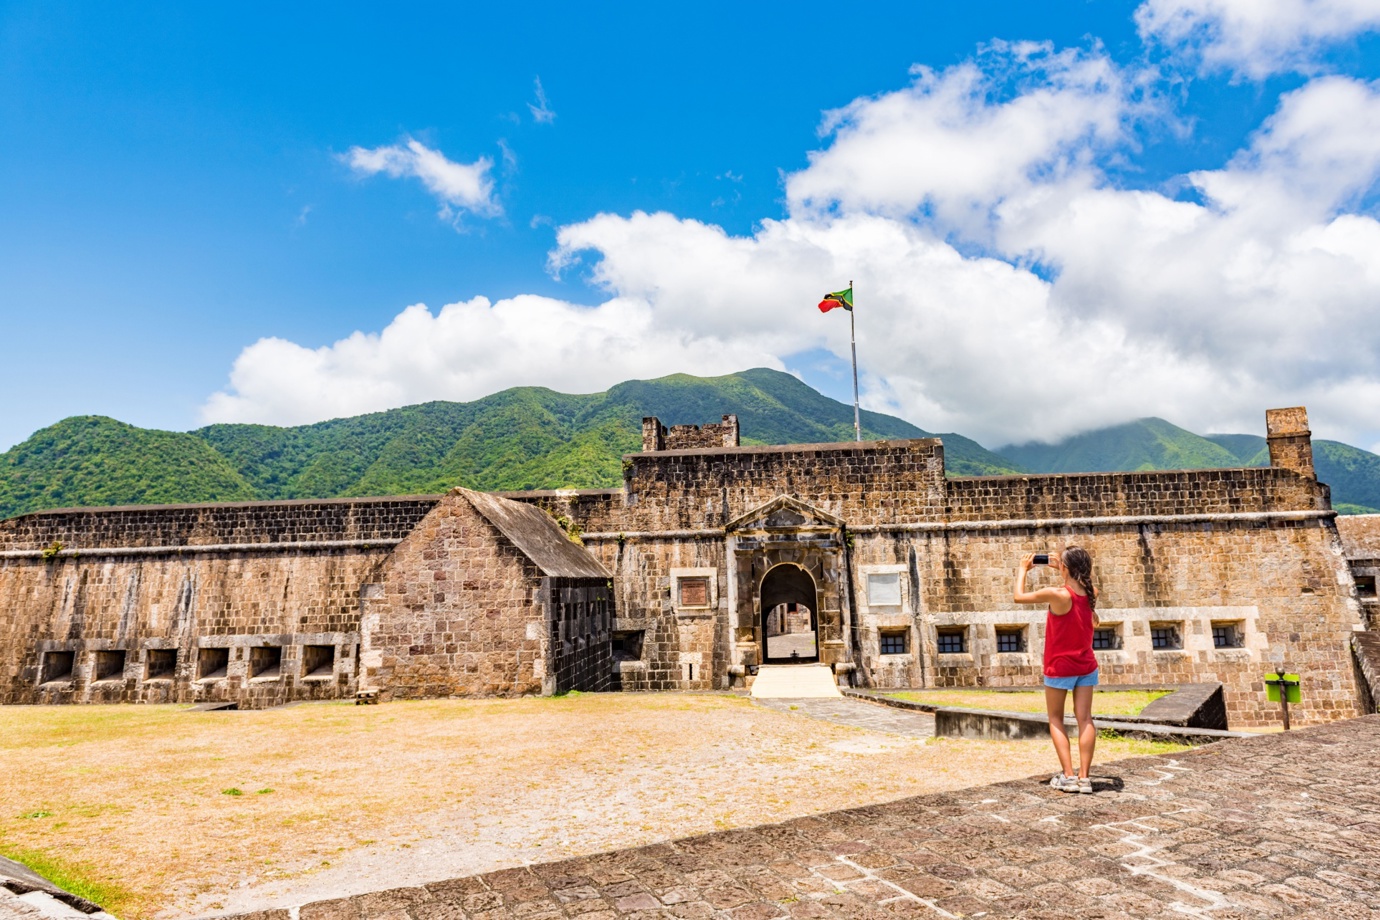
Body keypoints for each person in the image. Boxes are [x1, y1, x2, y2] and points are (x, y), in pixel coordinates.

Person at [1014, 546, 1099, 794]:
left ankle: (1069, 776)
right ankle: (1084, 778)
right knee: (1085, 719)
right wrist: (1063, 567)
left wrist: (1022, 569)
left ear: (1066, 568)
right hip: (1086, 666)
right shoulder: (1092, 592)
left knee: (1056, 719)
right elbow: (1082, 588)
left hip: (1059, 667)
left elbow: (1018, 597)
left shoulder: (1057, 595)